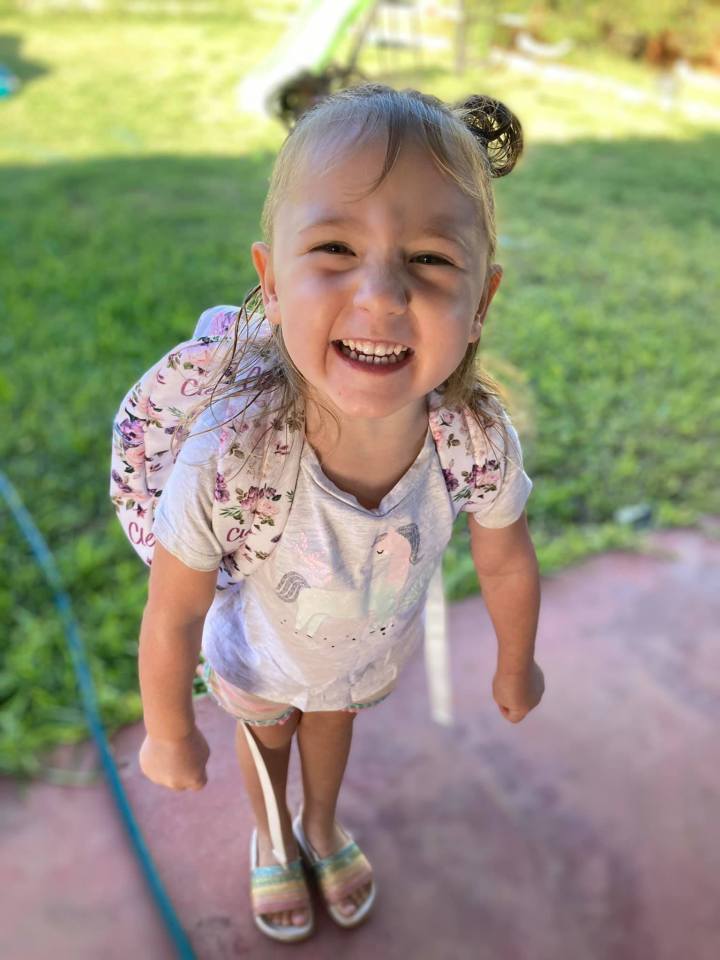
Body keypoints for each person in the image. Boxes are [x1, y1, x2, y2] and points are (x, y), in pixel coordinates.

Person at [135, 83, 544, 943]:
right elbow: (173, 610)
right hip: (255, 663)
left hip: (356, 659)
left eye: (431, 260)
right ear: (271, 282)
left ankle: (320, 826)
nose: (383, 293)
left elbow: (505, 556)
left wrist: (518, 662)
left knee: (329, 731)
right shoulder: (232, 451)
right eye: (333, 247)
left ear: (482, 303)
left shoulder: (470, 435)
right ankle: (274, 836)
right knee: (271, 738)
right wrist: (170, 730)